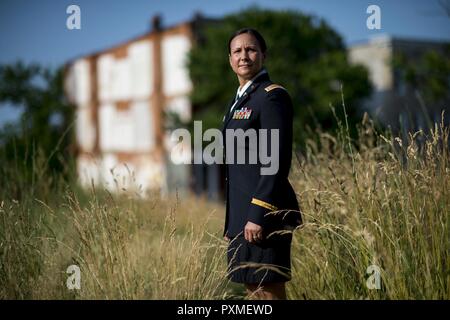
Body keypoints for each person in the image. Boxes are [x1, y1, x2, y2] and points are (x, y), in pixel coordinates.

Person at [222, 28, 302, 300]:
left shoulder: (270, 96)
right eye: (237, 51)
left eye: (251, 49)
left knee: (267, 291)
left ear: (263, 55)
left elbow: (275, 161)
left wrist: (257, 214)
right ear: (230, 59)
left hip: (263, 215)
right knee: (251, 288)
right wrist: (232, 223)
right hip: (242, 218)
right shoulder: (238, 102)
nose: (244, 56)